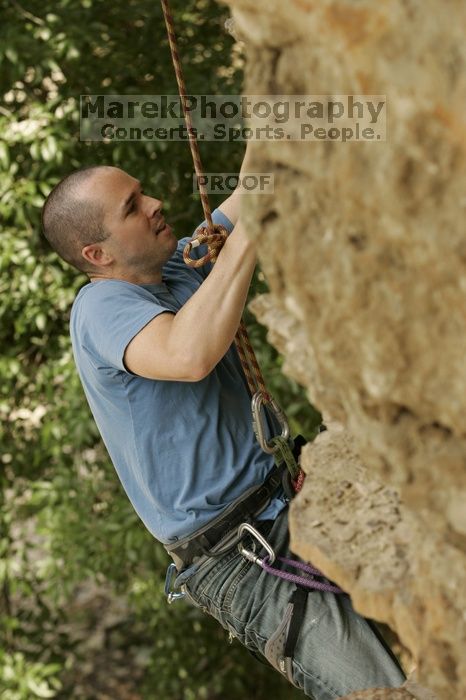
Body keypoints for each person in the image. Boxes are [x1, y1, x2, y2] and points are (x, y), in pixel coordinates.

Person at [41, 161, 407, 699]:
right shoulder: (100, 305)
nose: (155, 204)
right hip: (244, 557)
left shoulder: (182, 271)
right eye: (132, 208)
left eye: (143, 192)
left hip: (292, 505)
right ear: (98, 254)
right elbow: (188, 353)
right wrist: (252, 228)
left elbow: (257, 184)